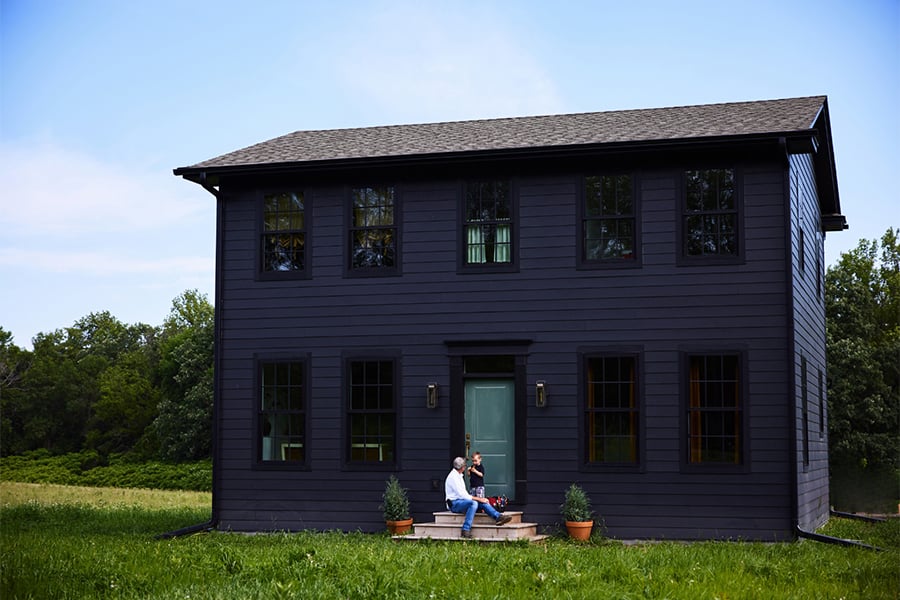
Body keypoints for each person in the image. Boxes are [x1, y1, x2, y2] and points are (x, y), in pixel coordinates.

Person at [445, 456, 511, 538]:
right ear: (462, 467)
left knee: (481, 502)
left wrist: (481, 500)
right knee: (473, 503)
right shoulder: (453, 477)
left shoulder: (458, 475)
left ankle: (498, 517)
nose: (465, 466)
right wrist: (479, 499)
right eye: (464, 465)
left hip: (461, 501)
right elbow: (463, 495)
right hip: (454, 504)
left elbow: (464, 496)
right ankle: (465, 530)